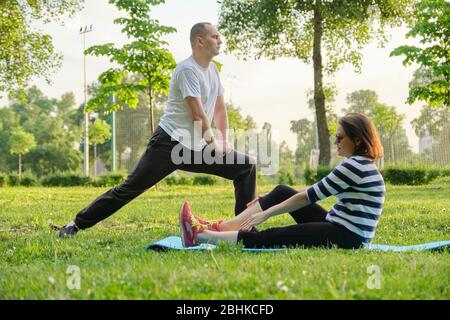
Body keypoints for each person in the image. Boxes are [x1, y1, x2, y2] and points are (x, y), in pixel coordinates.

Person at [56, 22, 256, 237]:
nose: (220, 40)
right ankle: (75, 224)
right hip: (169, 144)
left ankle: (243, 229)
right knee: (129, 189)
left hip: (196, 145)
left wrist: (224, 140)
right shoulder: (187, 70)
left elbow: (219, 109)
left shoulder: (213, 70)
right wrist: (213, 144)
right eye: (215, 36)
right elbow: (197, 114)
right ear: (200, 41)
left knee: (245, 167)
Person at [180, 113, 385, 249]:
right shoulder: (360, 164)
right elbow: (314, 191)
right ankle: (222, 227)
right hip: (340, 227)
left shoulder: (354, 166)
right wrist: (270, 201)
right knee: (282, 191)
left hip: (347, 238)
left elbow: (308, 197)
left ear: (357, 140)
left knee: (272, 236)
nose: (335, 142)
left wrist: (267, 212)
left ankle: (199, 236)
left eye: (340, 138)